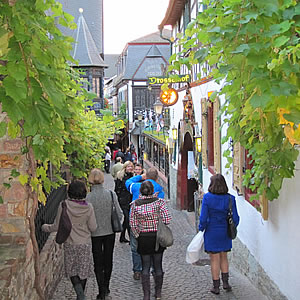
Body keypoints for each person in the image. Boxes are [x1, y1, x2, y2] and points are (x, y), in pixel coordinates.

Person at [42, 180, 97, 300]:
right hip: (85, 244)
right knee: (83, 271)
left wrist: (45, 227)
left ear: (70, 192)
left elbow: (57, 226)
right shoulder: (89, 207)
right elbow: (93, 227)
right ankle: (81, 295)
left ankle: (80, 296)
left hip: (70, 243)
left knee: (72, 271)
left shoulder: (64, 205)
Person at [129, 181, 171, 300]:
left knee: (145, 266)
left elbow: (132, 223)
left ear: (141, 191)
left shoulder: (135, 204)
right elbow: (167, 220)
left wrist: (138, 235)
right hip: (157, 237)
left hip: (144, 238)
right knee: (158, 266)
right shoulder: (160, 203)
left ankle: (146, 295)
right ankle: (158, 293)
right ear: (153, 190)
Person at [199, 174, 240, 295]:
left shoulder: (207, 198)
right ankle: (226, 283)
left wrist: (201, 228)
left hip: (212, 231)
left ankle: (216, 286)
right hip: (225, 231)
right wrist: (231, 227)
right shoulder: (230, 198)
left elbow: (203, 218)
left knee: (214, 259)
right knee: (224, 256)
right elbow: (236, 218)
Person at [86, 168, 123, 300]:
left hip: (94, 233)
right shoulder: (111, 194)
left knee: (98, 261)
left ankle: (101, 289)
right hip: (109, 232)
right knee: (108, 260)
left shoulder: (88, 197)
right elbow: (119, 213)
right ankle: (106, 286)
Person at [114, 161, 134, 243]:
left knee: (126, 219)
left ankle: (122, 237)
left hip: (130, 200)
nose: (130, 168)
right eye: (128, 166)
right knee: (128, 219)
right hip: (123, 200)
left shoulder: (133, 176)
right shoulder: (120, 176)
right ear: (125, 167)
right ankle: (132, 239)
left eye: (131, 166)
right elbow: (116, 189)